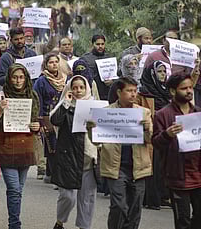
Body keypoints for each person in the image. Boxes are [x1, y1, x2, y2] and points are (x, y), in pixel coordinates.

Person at [86, 77, 153, 229]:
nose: (133, 94)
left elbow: (150, 140)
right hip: (115, 167)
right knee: (119, 205)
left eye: (135, 91)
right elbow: (96, 141)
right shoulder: (106, 113)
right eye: (129, 91)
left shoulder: (144, 113)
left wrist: (147, 128)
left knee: (135, 208)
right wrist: (92, 128)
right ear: (119, 92)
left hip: (138, 168)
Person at [0, 63, 40, 229]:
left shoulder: (33, 96)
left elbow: (36, 122)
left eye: (21, 77)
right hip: (6, 149)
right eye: (14, 77)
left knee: (18, 191)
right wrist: (0, 112)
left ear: (26, 78)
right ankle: (14, 225)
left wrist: (36, 127)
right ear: (9, 78)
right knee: (14, 190)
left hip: (25, 149)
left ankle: (14, 222)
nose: (18, 81)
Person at [152, 73, 201, 229]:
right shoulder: (163, 115)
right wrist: (167, 134)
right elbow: (156, 143)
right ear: (173, 91)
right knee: (182, 221)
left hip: (198, 175)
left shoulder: (197, 113)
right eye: (184, 88)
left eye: (190, 87)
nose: (189, 91)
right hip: (178, 178)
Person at [50, 75, 98, 229]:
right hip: (68, 158)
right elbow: (55, 120)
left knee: (87, 198)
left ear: (87, 89)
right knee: (68, 196)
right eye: (75, 87)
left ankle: (84, 226)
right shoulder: (65, 105)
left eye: (81, 87)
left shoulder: (95, 106)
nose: (78, 91)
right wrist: (66, 102)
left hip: (88, 158)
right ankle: (60, 221)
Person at [137, 61, 172, 210]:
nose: (163, 75)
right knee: (154, 165)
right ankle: (152, 198)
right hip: (152, 134)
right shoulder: (143, 93)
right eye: (159, 71)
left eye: (164, 71)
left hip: (168, 133)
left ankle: (164, 195)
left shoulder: (167, 92)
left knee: (166, 165)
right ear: (152, 74)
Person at [33, 53, 67, 183]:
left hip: (61, 116)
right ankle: (51, 173)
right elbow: (38, 100)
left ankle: (55, 172)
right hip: (47, 116)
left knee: (60, 144)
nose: (54, 64)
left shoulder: (65, 79)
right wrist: (39, 118)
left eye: (56, 62)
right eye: (51, 62)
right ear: (46, 65)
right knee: (51, 145)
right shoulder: (41, 81)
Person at [80, 35, 113, 100]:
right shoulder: (85, 59)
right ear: (93, 44)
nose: (100, 46)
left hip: (107, 94)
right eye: (98, 44)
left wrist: (112, 81)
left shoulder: (109, 58)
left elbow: (116, 75)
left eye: (102, 44)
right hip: (92, 94)